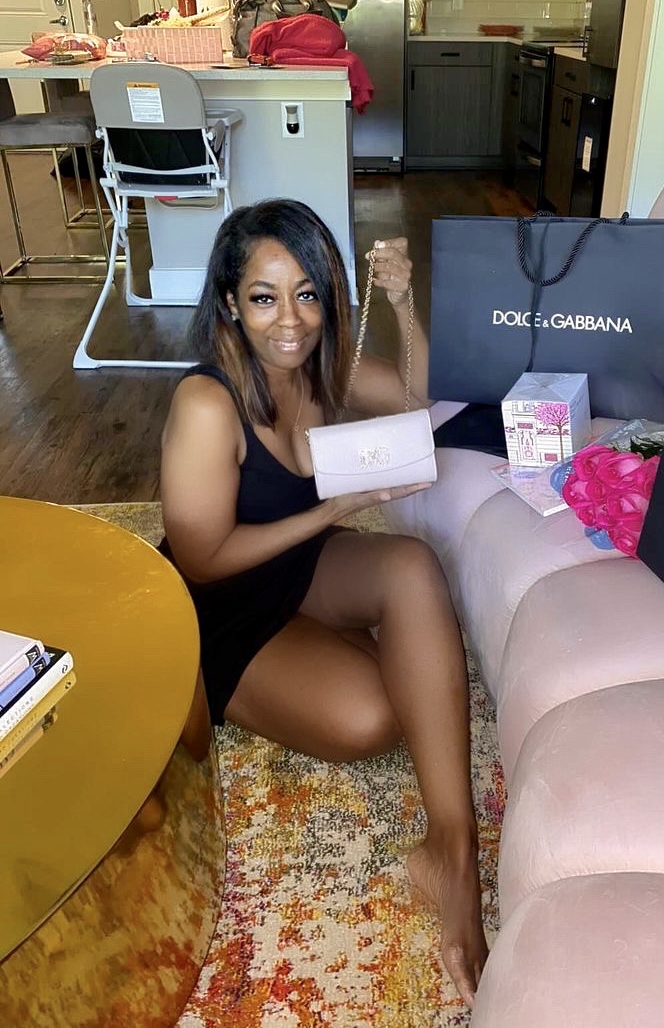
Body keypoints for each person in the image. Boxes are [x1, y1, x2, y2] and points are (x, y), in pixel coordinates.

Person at [159, 198, 488, 1006]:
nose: (290, 321)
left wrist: (404, 304)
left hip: (297, 568)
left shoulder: (320, 365)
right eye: (264, 297)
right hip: (217, 607)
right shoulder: (207, 402)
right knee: (370, 718)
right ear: (230, 302)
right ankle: (326, 667)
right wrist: (333, 510)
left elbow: (418, 401)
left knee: (411, 567)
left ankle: (452, 848)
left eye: (307, 294)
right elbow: (201, 557)